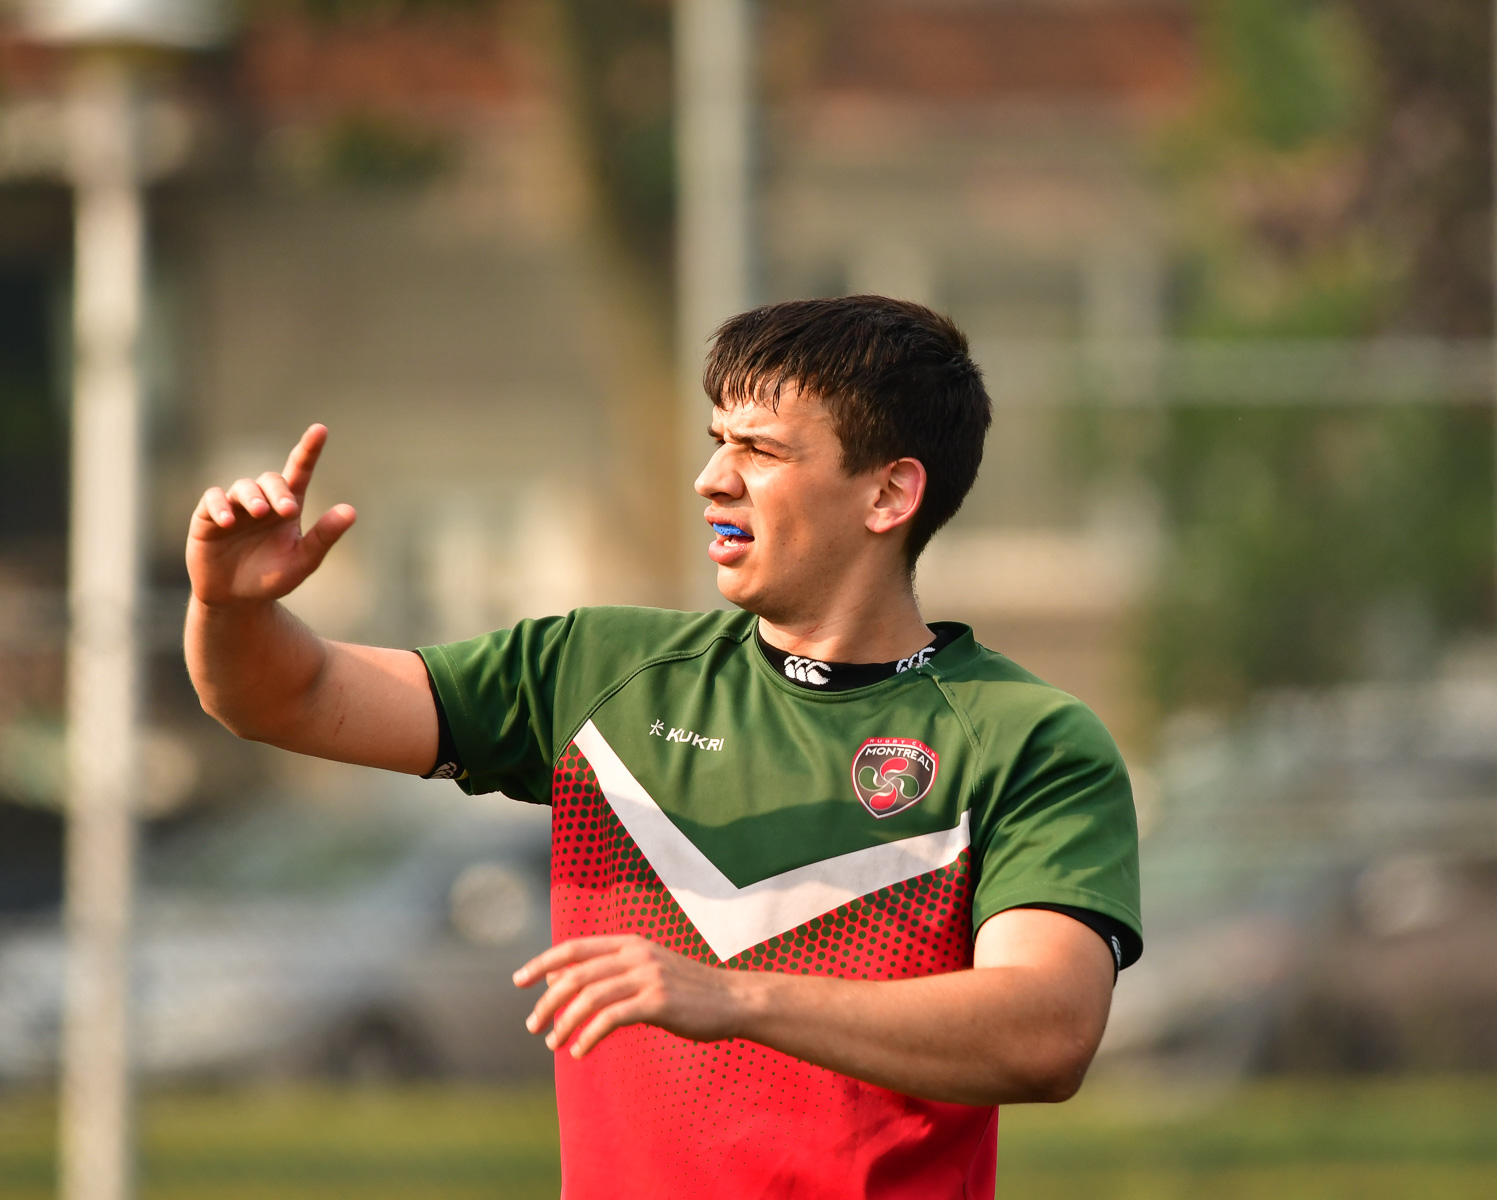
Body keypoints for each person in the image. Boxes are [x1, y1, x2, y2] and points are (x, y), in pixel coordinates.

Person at [185, 295, 1141, 1199]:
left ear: (889, 494)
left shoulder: (1026, 739)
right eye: (718, 440)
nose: (713, 478)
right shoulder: (600, 670)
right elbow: (289, 698)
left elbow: (1045, 1033)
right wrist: (230, 606)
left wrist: (733, 998)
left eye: (761, 450)